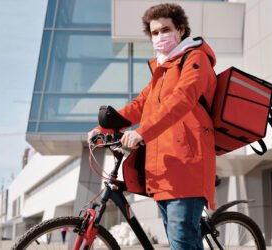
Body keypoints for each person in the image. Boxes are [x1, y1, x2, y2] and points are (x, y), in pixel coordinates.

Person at [88, 3, 217, 249]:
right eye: (154, 33)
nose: (159, 36)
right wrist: (103, 128)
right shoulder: (163, 69)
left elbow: (182, 99)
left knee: (182, 243)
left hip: (187, 166)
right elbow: (138, 106)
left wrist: (141, 132)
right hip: (163, 169)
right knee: (179, 241)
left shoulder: (195, 58)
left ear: (180, 30)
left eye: (164, 30)